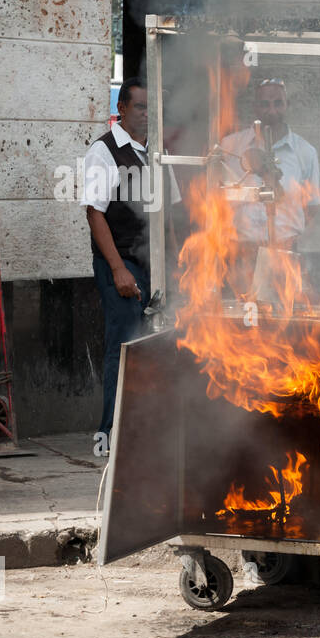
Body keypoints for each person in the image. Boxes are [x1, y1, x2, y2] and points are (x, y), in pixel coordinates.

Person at [81, 77, 179, 440]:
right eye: (139, 107)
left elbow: (167, 214)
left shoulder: (158, 153)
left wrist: (174, 263)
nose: (146, 114)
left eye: (151, 108)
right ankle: (111, 433)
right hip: (120, 262)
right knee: (124, 344)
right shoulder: (103, 151)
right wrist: (118, 269)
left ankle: (148, 431)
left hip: (155, 264)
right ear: (121, 109)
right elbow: (94, 213)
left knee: (159, 344)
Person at [220, 78, 320, 292]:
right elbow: (215, 200)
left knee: (282, 319)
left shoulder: (305, 152)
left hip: (283, 253)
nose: (271, 110)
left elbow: (312, 206)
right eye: (265, 104)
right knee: (239, 319)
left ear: (287, 106)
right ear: (255, 106)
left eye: (278, 103)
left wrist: (287, 239)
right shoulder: (230, 146)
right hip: (241, 252)